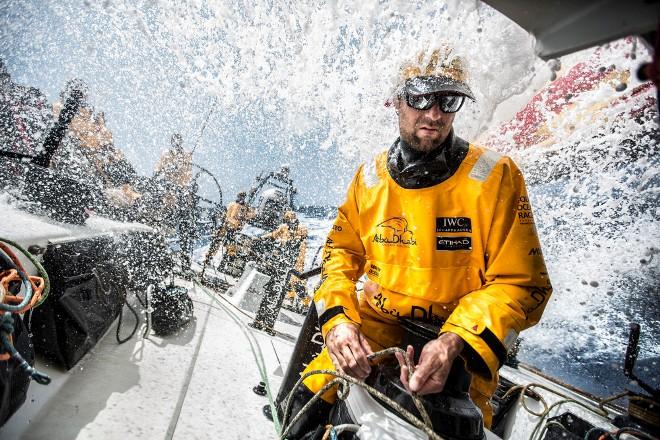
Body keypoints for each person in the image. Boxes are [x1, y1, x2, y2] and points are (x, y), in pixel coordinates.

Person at [286, 45, 553, 437]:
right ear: (395, 101)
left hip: (456, 351)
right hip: (376, 331)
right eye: (420, 98)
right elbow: (339, 257)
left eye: (448, 100)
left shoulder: (497, 177)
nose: (434, 113)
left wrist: (453, 342)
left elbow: (524, 284)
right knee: (305, 401)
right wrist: (340, 324)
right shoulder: (369, 180)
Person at [201, 191, 255, 276]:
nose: (240, 198)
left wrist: (244, 216)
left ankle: (225, 264)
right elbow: (225, 214)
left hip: (233, 229)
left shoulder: (245, 208)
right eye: (240, 196)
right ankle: (208, 259)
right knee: (216, 242)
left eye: (242, 196)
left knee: (230, 246)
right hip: (225, 226)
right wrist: (220, 222)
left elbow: (252, 215)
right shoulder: (231, 204)